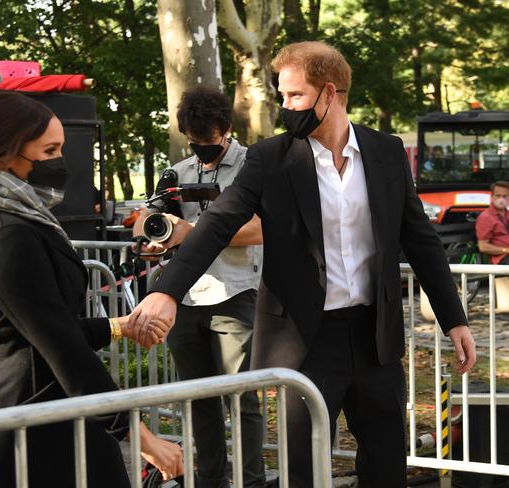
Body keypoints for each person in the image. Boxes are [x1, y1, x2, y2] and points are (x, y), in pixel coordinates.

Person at [129, 41, 476, 487]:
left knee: (387, 465)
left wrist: (454, 320)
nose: (284, 106)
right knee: (304, 472)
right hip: (306, 342)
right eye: (281, 96)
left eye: (294, 96)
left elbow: (421, 240)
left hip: (376, 336)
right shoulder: (270, 159)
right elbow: (217, 225)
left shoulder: (386, 152)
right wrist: (165, 291)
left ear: (329, 93)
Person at [0, 92, 182, 487]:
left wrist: (119, 325)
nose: (61, 161)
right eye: (50, 149)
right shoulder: (5, 234)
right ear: (6, 153)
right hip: (25, 431)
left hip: (51, 416)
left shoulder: (15, 218)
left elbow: (48, 324)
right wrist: (141, 437)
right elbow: (62, 349)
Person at [133, 87, 266, 488]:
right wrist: (156, 233)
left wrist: (196, 233)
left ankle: (250, 481)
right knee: (199, 398)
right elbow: (144, 219)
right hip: (183, 297)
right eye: (193, 141)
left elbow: (261, 227)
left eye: (207, 141)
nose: (200, 148)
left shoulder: (252, 166)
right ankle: (211, 480)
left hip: (235, 292)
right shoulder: (178, 172)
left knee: (242, 397)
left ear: (226, 129)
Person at [475, 180, 509, 263]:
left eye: (505, 196)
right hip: (502, 258)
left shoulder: (507, 213)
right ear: (492, 197)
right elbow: (483, 247)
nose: (501, 199)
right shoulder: (486, 217)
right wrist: (506, 250)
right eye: (498, 196)